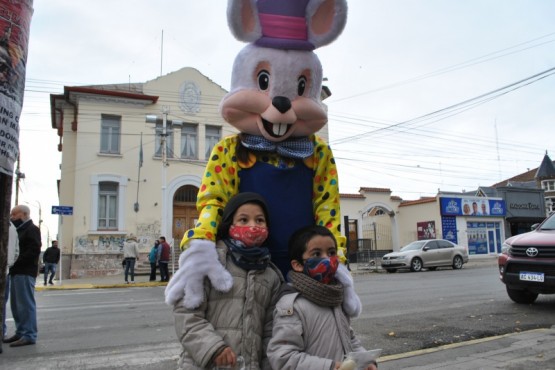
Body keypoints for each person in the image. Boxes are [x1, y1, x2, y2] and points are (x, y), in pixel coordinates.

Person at [168, 192, 283, 369]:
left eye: (260, 220)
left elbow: (270, 332)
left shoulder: (271, 275)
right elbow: (186, 315)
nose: (253, 226)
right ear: (230, 224)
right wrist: (213, 348)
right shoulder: (209, 261)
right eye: (243, 220)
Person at [267, 225, 377, 370]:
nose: (326, 258)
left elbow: (349, 339)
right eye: (316, 254)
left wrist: (366, 361)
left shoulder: (336, 297)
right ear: (298, 265)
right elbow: (283, 357)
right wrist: (329, 367)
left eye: (331, 252)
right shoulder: (292, 305)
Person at [3, 205, 41, 347]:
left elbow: (33, 251)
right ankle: (21, 332)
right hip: (16, 271)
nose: (12, 217)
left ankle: (29, 334)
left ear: (24, 214)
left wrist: (15, 261)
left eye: (14, 214)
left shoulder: (32, 229)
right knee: (16, 305)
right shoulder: (17, 229)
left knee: (25, 304)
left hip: (25, 271)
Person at [2, 221, 19, 343]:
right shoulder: (12, 227)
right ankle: (2, 331)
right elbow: (17, 251)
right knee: (2, 303)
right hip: (5, 270)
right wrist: (9, 265)